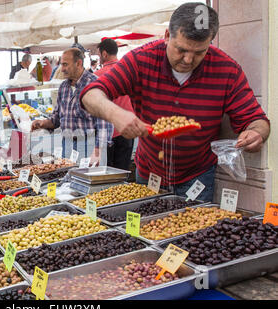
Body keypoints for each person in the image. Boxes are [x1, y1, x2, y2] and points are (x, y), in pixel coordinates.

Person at [80, 2, 270, 202]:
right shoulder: (141, 60)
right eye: (181, 50)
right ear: (167, 36)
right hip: (149, 172)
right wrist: (116, 114)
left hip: (197, 176)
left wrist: (256, 133)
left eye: (199, 53)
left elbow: (257, 120)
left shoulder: (227, 70)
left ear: (210, 43)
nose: (188, 60)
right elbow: (90, 94)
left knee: (196, 231)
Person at [31, 48, 113, 165]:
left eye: (65, 64)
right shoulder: (63, 87)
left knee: (88, 181)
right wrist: (43, 123)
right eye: (61, 64)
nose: (62, 69)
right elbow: (56, 119)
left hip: (89, 145)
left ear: (78, 63)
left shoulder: (95, 85)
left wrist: (98, 151)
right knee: (68, 180)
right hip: (67, 145)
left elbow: (106, 122)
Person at [94, 38, 134, 171]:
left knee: (108, 174)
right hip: (128, 128)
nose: (99, 58)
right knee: (123, 171)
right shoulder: (129, 71)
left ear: (104, 54)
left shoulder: (97, 76)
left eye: (99, 55)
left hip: (108, 133)